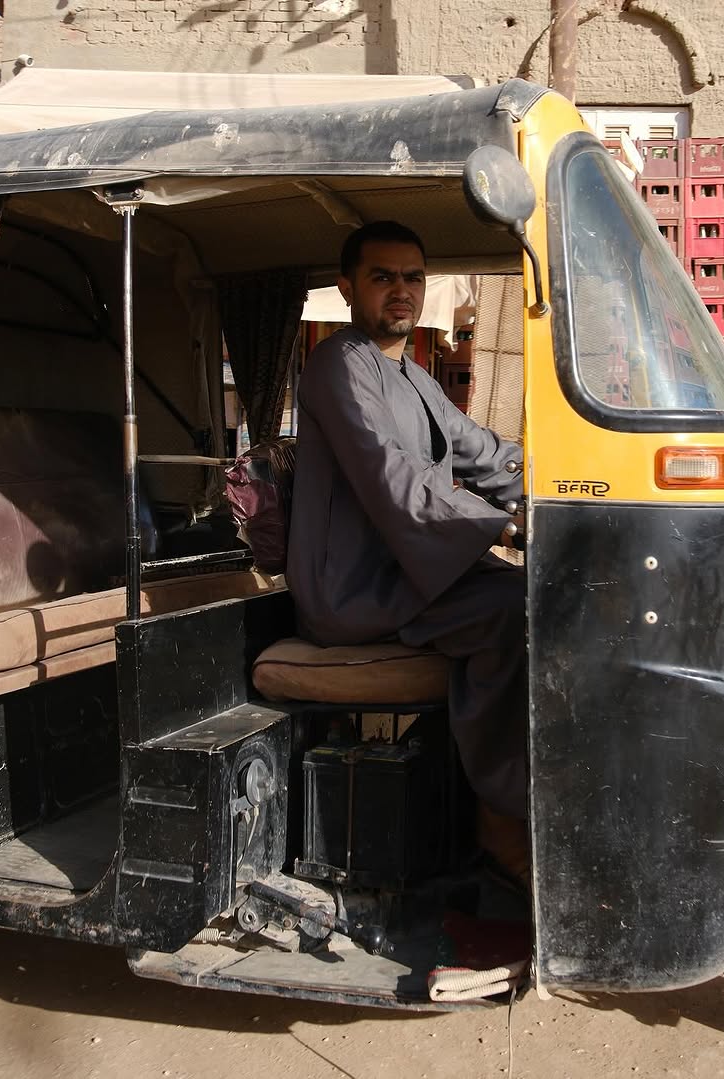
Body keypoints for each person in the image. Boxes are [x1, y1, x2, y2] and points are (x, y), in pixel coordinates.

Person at [286, 220, 529, 884]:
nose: (402, 291)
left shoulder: (414, 375)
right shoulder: (338, 365)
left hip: (410, 573)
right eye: (383, 277)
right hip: (356, 586)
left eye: (413, 278)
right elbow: (393, 478)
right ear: (347, 289)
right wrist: (504, 528)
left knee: (544, 596)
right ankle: (500, 818)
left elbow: (484, 454)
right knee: (515, 612)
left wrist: (564, 487)